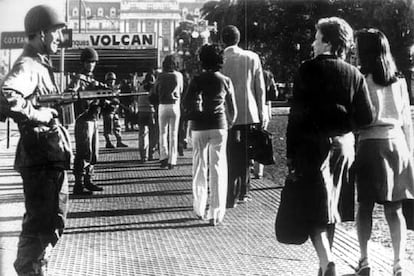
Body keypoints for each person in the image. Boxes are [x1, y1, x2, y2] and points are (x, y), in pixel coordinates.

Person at [285, 17, 374, 276]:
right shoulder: (354, 73)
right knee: (332, 206)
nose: (313, 42)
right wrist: (344, 124)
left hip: (312, 144)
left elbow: (296, 115)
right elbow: (366, 117)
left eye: (316, 37)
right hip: (344, 146)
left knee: (313, 206)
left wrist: (291, 154)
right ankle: (324, 266)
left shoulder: (307, 69)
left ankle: (327, 260)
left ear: (327, 42)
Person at [0, 5, 71, 275]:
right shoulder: (28, 64)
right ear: (42, 33)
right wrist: (39, 115)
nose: (59, 39)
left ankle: (32, 269)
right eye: (56, 33)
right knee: (44, 224)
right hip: (41, 158)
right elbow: (7, 95)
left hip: (44, 156)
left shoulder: (38, 63)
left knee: (44, 224)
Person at [353, 29, 414, 276]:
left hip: (370, 144)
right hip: (397, 144)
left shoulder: (360, 79)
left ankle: (364, 259)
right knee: (394, 208)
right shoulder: (399, 81)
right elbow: (406, 120)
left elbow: (358, 119)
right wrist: (410, 152)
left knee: (364, 206)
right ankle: (399, 262)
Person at [183, 44, 237, 226]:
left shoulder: (196, 79)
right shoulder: (226, 80)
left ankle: (199, 208)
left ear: (202, 60)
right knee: (218, 168)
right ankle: (216, 213)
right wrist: (228, 123)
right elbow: (234, 111)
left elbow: (186, 103)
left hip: (199, 127)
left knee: (199, 166)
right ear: (220, 60)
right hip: (219, 126)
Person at [221, 25, 268, 208]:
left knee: (230, 153)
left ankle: (230, 192)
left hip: (227, 114)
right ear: (238, 39)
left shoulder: (221, 59)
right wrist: (262, 112)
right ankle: (244, 191)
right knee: (246, 154)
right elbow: (260, 87)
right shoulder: (252, 57)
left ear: (222, 40)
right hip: (249, 112)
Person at [69, 47, 106, 195]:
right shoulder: (79, 78)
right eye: (88, 62)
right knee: (84, 152)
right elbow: (70, 93)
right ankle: (78, 184)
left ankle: (88, 180)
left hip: (93, 119)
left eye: (93, 62)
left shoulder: (92, 80)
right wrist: (85, 97)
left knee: (93, 152)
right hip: (83, 119)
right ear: (83, 63)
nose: (91, 64)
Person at [150, 55, 184, 169]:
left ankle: (163, 158)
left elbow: (155, 90)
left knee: (162, 133)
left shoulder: (160, 76)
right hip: (175, 105)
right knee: (173, 134)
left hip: (163, 105)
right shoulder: (179, 75)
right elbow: (181, 90)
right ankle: (172, 160)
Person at [252, 66, 278, 179]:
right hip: (266, 106)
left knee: (251, 137)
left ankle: (250, 163)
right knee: (262, 138)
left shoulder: (252, 74)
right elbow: (274, 94)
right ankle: (259, 170)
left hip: (253, 106)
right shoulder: (268, 75)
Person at [101, 71, 128, 148]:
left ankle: (119, 141)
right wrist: (110, 102)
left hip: (115, 110)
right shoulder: (104, 89)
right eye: (109, 80)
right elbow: (102, 100)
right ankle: (108, 142)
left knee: (117, 126)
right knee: (108, 127)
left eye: (112, 80)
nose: (111, 81)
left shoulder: (116, 89)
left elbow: (118, 98)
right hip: (107, 111)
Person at [137, 69, 157, 162]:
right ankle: (151, 154)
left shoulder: (140, 87)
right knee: (153, 134)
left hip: (141, 111)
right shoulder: (153, 87)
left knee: (142, 133)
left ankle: (143, 155)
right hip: (151, 111)